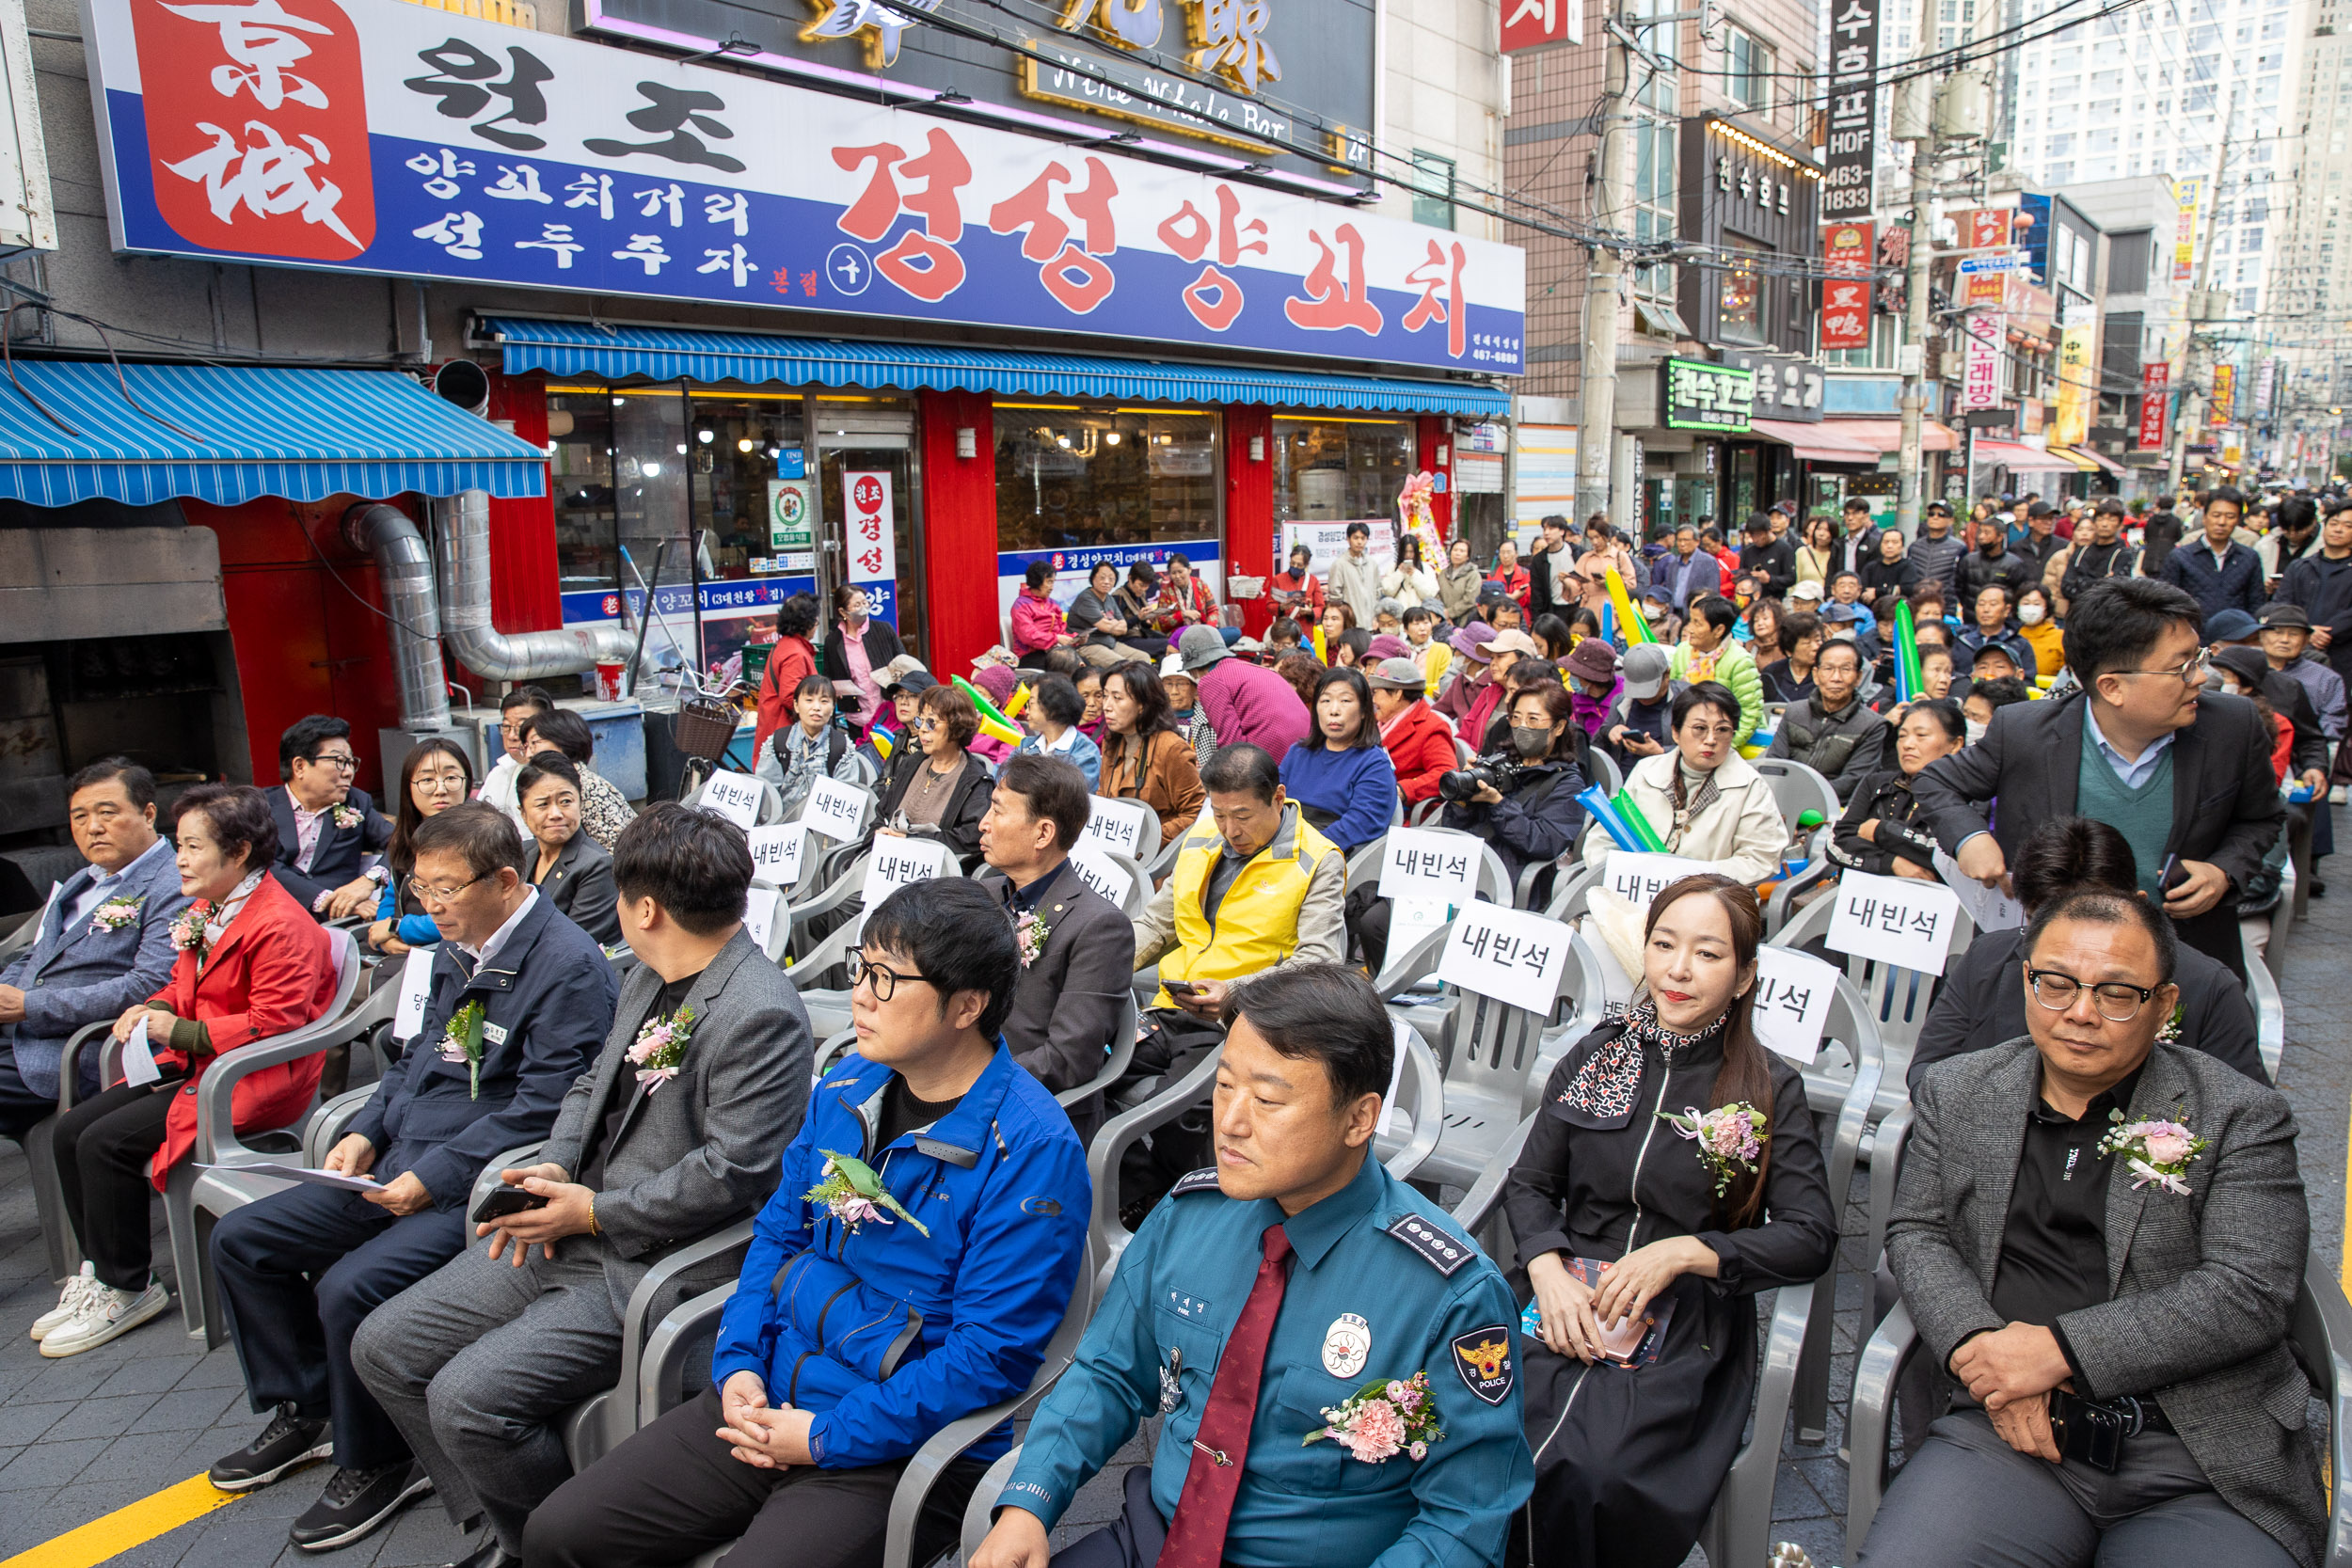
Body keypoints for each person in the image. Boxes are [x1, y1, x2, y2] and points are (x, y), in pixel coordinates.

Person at [527, 875, 1087, 1568]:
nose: (860, 993)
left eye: (887, 978)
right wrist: (736, 1366)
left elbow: (986, 1357)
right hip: (773, 1392)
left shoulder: (1030, 1149)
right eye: (862, 966)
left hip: (902, 1446)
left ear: (966, 1005)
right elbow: (777, 1234)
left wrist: (823, 1435)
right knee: (557, 1534)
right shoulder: (851, 1086)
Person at [350, 804, 816, 1568]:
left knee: (465, 1399)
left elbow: (733, 1173)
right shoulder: (645, 973)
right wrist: (560, 1165)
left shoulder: (758, 1010)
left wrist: (595, 1211)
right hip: (566, 1222)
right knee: (384, 1347)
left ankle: (562, 1546)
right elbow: (588, 1084)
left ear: (645, 907)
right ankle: (514, 1530)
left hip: (647, 1258)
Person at [973, 966, 1533, 1568]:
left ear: (1359, 1118)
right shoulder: (1191, 1215)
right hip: (1155, 1536)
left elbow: (1465, 1517)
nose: (1231, 1122)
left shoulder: (1448, 1292)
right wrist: (1030, 1502)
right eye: (1223, 1086)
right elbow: (1108, 1373)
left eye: (1267, 1100)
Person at [1857, 889, 2317, 1568]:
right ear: (2026, 981)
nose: (2079, 1011)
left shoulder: (2237, 1114)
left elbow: (2249, 1290)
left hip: (2197, 1458)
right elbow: (1917, 1232)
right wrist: (1987, 1359)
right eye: (2057, 983)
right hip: (2011, 1434)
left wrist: (2057, 1352)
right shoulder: (1959, 1089)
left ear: (2163, 1004)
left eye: (2116, 993)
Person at [205, 803, 615, 1551]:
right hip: (396, 1161)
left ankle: (381, 1458)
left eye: (445, 888)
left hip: (466, 1183)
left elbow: (544, 1111)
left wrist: (430, 1177)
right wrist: (363, 1131)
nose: (430, 906)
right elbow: (418, 1059)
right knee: (242, 1239)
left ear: (503, 879)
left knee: (348, 1289)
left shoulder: (566, 965)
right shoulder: (460, 944)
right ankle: (310, 1407)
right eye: (420, 887)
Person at [1508, 875, 1835, 1568]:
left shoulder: (1766, 1086)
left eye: (1708, 953)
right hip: (1562, 1295)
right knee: (1476, 1424)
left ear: (1745, 975)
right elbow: (1532, 1183)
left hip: (1685, 1323)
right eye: (1664, 944)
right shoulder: (1602, 1055)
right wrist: (1545, 1266)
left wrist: (1690, 1252)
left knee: (1592, 1468)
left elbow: (1810, 1235)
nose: (1678, 970)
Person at [34, 784, 338, 1357]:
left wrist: (176, 1030)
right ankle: (102, 1271)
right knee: (72, 1128)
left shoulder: (281, 923)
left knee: (104, 1143)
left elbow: (275, 1024)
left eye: (193, 847)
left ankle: (127, 1288)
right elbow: (181, 982)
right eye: (181, 846)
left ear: (240, 850)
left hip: (250, 1080)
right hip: (202, 1065)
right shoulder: (210, 905)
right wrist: (156, 1007)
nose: (180, 859)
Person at [1915, 578, 2284, 982]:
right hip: (2051, 970)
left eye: (2199, 657)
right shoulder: (2024, 732)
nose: (2201, 677)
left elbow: (2261, 820)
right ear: (2112, 687)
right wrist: (1970, 838)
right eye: (2182, 667)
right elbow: (1937, 782)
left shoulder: (2232, 726)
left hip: (2186, 964)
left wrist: (2224, 871)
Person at [1124, 746, 1345, 1201]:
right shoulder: (1202, 839)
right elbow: (1156, 925)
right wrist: (1096, 960)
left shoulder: (1318, 859)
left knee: (1180, 1110)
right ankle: (1138, 1196)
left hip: (1245, 1024)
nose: (1230, 830)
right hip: (1173, 1006)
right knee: (1080, 1065)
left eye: (1242, 815)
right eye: (1220, 813)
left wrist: (1236, 993)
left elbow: (1320, 963)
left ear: (1278, 798)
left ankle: (1184, 1211)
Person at [1910, 816, 2263, 1090]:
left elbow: (2244, 1117)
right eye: (2041, 921)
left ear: (2138, 905)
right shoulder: (1988, 958)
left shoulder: (2207, 987)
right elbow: (1929, 1071)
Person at [0, 759, 188, 1139]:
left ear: (148, 813)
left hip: (76, 1049)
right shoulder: (82, 880)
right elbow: (35, 954)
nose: (93, 828)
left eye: (107, 813)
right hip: (18, 1033)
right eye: (80, 816)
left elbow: (148, 985)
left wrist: (28, 1006)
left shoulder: (173, 883)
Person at [977, 755, 1134, 1101]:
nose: (983, 824)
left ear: (1043, 833)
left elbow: (1068, 1058)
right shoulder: (983, 895)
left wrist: (969, 1082)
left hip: (1025, 1110)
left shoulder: (1099, 926)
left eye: (998, 811)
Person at [1581, 683, 1788, 885]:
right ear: (1675, 732)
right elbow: (1602, 841)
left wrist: (1695, 877)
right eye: (1699, 728)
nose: (1710, 739)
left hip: (1713, 900)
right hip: (1638, 891)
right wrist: (1625, 876)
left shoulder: (1749, 786)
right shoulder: (1647, 771)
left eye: (1722, 730)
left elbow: (1761, 859)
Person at [1439, 679, 1590, 890]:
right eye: (1516, 718)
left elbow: (1544, 842)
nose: (1523, 727)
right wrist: (1464, 799)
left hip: (1508, 881)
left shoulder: (1567, 783)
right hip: (1461, 867)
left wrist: (1498, 803)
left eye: (1533, 720)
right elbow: (1452, 827)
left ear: (1559, 727)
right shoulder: (1499, 762)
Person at [1829, 699, 1966, 882]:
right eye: (1902, 736)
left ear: (1955, 744)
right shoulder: (1876, 783)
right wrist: (1892, 863)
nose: (1907, 744)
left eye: (1921, 735)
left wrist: (1881, 830)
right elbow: (1837, 843)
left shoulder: (1968, 795)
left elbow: (1949, 857)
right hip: (1862, 897)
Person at [273, 716, 395, 921]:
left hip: (341, 923)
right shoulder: (260, 807)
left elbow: (404, 842)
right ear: (300, 766)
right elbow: (261, 866)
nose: (348, 773)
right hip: (277, 917)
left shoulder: (356, 802)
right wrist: (329, 899)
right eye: (339, 761)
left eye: (350, 763)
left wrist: (369, 880)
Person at [366, 739, 475, 957]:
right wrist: (384, 939)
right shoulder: (406, 838)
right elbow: (390, 897)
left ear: (467, 782)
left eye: (451, 778)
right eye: (427, 779)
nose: (440, 789)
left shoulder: (481, 839)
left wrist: (398, 928)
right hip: (404, 953)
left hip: (459, 953)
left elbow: (466, 913)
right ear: (409, 787)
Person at [1280, 667, 1400, 853]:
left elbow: (1359, 824)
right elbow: (1272, 802)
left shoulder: (1374, 764)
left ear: (1363, 711)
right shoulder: (1298, 753)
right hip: (1284, 844)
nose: (1334, 710)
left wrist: (1302, 849)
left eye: (1345, 701)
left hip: (1330, 855)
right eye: (1326, 701)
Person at [874, 682, 992, 863]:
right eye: (920, 720)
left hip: (935, 871)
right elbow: (882, 812)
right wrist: (878, 835)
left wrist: (912, 842)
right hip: (887, 861)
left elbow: (971, 837)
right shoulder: (913, 763)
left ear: (956, 727)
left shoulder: (974, 780)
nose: (921, 729)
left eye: (931, 722)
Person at [1100, 660, 1209, 852]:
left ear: (1142, 704)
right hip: (1116, 853)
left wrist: (1146, 839)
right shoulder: (1111, 741)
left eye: (1117, 698)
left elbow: (1196, 813)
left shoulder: (1171, 748)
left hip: (1157, 861)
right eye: (1105, 696)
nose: (1107, 706)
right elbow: (1103, 796)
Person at [517, 753, 623, 947]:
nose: (556, 814)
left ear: (580, 803)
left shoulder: (597, 864)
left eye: (566, 801)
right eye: (543, 804)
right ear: (523, 813)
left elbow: (571, 943)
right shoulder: (522, 854)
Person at [1766, 638, 1887, 800]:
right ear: (1816, 675)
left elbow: (1854, 780)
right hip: (1782, 799)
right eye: (1828, 668)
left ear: (1858, 677)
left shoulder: (1873, 725)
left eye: (1845, 669)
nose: (1836, 677)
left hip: (1831, 807)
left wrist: (1804, 797)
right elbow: (1774, 762)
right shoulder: (1794, 712)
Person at [1181, 624, 1311, 759]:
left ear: (1193, 669)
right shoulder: (1252, 668)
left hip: (1271, 758)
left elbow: (1231, 745)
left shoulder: (1211, 681)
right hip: (1303, 750)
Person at [516, 708, 634, 854]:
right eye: (526, 746)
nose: (528, 754)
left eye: (535, 743)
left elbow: (616, 850)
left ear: (563, 740)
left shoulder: (589, 786)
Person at [2157, 483, 2265, 625]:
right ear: (2205, 517)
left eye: (2230, 516)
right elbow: (2166, 605)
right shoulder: (2180, 557)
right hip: (2193, 639)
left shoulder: (2250, 558)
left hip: (2234, 638)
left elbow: (2256, 603)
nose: (2221, 522)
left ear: (2238, 520)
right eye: (2216, 515)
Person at [756, 673, 864, 816]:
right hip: (782, 826)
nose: (816, 707)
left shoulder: (842, 747)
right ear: (796, 705)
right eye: (809, 700)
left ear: (832, 708)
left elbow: (844, 799)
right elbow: (767, 794)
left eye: (824, 701)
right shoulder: (778, 741)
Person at [2279, 501, 2352, 700]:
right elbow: (2282, 604)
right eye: (2334, 523)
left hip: (2343, 657)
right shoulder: (2300, 567)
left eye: (2348, 526)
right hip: (2297, 654)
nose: (2338, 529)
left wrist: (2325, 633)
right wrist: (2307, 631)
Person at [1668, 596, 1762, 747]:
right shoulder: (1683, 650)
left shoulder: (1741, 661)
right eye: (1691, 620)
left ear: (1718, 630)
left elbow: (1750, 715)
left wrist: (1722, 748)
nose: (1689, 628)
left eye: (1697, 623)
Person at [1367, 656, 1456, 807]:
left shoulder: (1431, 727)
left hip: (1403, 812)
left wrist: (1403, 790)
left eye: (1375, 692)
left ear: (1397, 694)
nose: (1373, 700)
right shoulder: (1376, 722)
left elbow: (1446, 773)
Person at [2257, 600, 2346, 744]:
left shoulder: (2327, 678)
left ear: (2306, 640)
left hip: (2306, 750)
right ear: (2261, 636)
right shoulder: (2248, 669)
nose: (2284, 640)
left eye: (2293, 634)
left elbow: (2333, 722)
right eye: (2277, 632)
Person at [750, 593, 822, 762]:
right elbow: (790, 697)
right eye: (816, 621)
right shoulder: (795, 654)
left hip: (776, 730)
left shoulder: (786, 645)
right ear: (807, 624)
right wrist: (822, 702)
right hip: (787, 735)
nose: (816, 626)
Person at [823, 584, 908, 727]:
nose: (863, 608)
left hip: (889, 712)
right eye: (857, 605)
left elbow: (904, 662)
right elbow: (829, 678)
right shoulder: (833, 641)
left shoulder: (883, 630)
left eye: (865, 603)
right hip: (857, 718)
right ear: (843, 612)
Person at [475, 689, 555, 836]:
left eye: (521, 728)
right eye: (506, 727)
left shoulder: (558, 776)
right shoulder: (498, 773)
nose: (512, 736)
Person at [2048, 500, 2141, 618]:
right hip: (2077, 617)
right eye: (2101, 519)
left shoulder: (2122, 554)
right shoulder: (2081, 551)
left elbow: (2114, 592)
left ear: (2120, 524)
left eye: (2111, 520)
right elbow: (2066, 588)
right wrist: (2102, 580)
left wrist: (2081, 581)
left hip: (2107, 619)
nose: (2105, 524)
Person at [1014, 672, 1104, 789]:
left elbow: (1066, 797)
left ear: (1053, 708)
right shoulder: (1027, 745)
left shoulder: (1085, 752)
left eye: (1031, 703)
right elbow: (1003, 778)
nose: (1026, 711)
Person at [1599, 644, 1680, 770]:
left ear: (1667, 675)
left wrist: (1661, 752)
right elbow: (1600, 737)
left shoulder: (1687, 701)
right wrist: (1610, 731)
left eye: (1649, 691)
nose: (1643, 698)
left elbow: (1700, 747)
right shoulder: (1621, 702)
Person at [1955, 585, 2036, 675]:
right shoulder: (1960, 641)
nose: (1986, 609)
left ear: (2007, 610)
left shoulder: (2020, 644)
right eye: (1981, 604)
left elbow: (2027, 681)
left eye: (1993, 604)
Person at [1158, 658, 1220, 771]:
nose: (1174, 691)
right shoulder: (1153, 719)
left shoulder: (1211, 719)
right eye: (1168, 684)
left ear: (1195, 689)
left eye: (1181, 684)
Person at [1010, 561, 1073, 667]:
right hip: (1029, 655)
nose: (1052, 587)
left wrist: (1074, 639)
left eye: (1053, 582)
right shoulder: (1021, 605)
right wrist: (1056, 639)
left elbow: (1060, 631)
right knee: (1066, 665)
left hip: (1052, 651)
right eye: (1049, 582)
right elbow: (1029, 636)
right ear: (1037, 581)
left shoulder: (1052, 604)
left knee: (1083, 665)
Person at [1957, 521, 2039, 605]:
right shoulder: (1968, 560)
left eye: (1987, 533)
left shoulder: (2014, 564)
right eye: (1980, 532)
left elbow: (2019, 593)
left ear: (2000, 537)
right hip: (1971, 613)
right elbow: (1959, 588)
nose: (1981, 537)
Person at [1910, 501, 1966, 605]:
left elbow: (1962, 582)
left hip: (1945, 605)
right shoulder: (1915, 547)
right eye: (1931, 514)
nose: (1935, 517)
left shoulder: (1959, 548)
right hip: (1917, 604)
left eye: (1941, 514)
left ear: (1951, 521)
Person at [1655, 525, 1724, 610]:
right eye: (1679, 540)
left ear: (1697, 541)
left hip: (1696, 613)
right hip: (1673, 613)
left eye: (1686, 540)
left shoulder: (1708, 562)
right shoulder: (1673, 563)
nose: (1682, 544)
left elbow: (1713, 592)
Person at [1762, 610, 1823, 704]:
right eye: (1807, 643)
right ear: (1789, 650)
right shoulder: (1772, 673)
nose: (1815, 647)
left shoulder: (1825, 673)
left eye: (1818, 640)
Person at [1267, 543, 1327, 633]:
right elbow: (1269, 606)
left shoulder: (1313, 581)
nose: (1295, 567)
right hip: (1285, 630)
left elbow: (1321, 607)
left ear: (1306, 565)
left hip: (1306, 631)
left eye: (1299, 565)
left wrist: (1310, 611)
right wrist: (1281, 607)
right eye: (1292, 563)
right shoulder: (1278, 579)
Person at [1860, 525, 1921, 610]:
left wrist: (1877, 592)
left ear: (1902, 546)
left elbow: (1907, 589)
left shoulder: (1908, 566)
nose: (1889, 546)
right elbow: (1864, 592)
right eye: (1886, 542)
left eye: (1895, 542)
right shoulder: (1870, 567)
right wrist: (1893, 589)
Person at [1739, 512, 1796, 599]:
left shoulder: (1784, 549)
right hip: (1751, 601)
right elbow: (1743, 573)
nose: (1756, 539)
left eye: (1759, 534)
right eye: (1752, 535)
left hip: (1774, 600)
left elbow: (1791, 578)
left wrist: (1770, 579)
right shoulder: (1748, 551)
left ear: (1769, 530)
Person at [2013, 585, 2064, 677]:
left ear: (2046, 609)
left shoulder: (2060, 637)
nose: (2030, 609)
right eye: (2026, 603)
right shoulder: (2012, 637)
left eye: (2036, 604)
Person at [1388, 531, 1441, 611]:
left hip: (1419, 616)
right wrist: (1399, 573)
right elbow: (1388, 591)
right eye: (1405, 552)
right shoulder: (1393, 568)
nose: (1408, 555)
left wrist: (1415, 575)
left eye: (1411, 552)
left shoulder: (1426, 569)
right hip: (1399, 616)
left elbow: (1430, 594)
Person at [1438, 534, 1485, 624]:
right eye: (1455, 550)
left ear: (1467, 556)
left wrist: (1450, 613)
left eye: (1462, 551)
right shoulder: (1443, 573)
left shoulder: (1473, 574)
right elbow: (1438, 594)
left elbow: (1470, 600)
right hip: (1443, 618)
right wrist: (1442, 612)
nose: (1457, 553)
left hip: (1465, 619)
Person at [1835, 497, 1882, 578]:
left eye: (1855, 513)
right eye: (1847, 514)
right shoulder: (1837, 543)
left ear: (1866, 517)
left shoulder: (1874, 544)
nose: (1850, 518)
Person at [1489, 536, 1534, 614]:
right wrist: (1513, 597)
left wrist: (1504, 597)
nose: (1505, 556)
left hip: (1521, 615)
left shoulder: (1525, 574)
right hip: (1499, 615)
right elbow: (1490, 597)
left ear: (1516, 554)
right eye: (1502, 552)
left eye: (1509, 552)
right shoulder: (1492, 576)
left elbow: (1529, 598)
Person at [1793, 515, 1837, 591]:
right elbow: (1794, 581)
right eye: (1819, 529)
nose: (1821, 534)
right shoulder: (1802, 552)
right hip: (1805, 598)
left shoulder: (1836, 554)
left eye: (1827, 530)